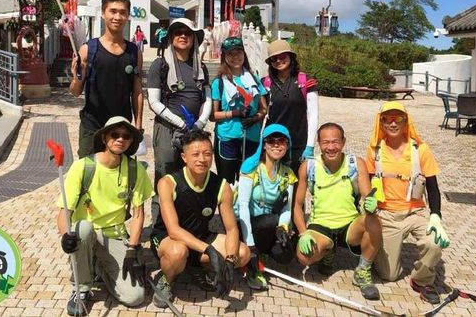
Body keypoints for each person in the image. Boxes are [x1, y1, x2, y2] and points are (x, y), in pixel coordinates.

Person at [56, 116, 154, 315]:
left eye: (126, 136)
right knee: (83, 228)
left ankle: (98, 266)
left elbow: (138, 215)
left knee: (135, 297)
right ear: (104, 138)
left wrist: (133, 249)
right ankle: (81, 288)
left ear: (131, 142)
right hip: (86, 234)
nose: (120, 139)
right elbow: (64, 212)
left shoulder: (135, 169)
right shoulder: (83, 166)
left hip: (115, 235)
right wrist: (66, 235)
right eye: (114, 135)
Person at [150, 130, 251, 308]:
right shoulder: (168, 183)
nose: (202, 159)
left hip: (199, 237)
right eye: (195, 154)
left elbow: (232, 229)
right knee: (177, 253)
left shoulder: (222, 186)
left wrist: (229, 261)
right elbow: (173, 230)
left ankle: (195, 267)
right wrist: (209, 250)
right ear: (184, 157)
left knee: (243, 253)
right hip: (168, 238)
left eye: (207, 154)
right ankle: (166, 279)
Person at [365, 102, 450, 305]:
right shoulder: (374, 150)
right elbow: (366, 182)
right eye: (387, 119)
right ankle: (380, 254)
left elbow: (432, 186)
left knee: (434, 243)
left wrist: (435, 215)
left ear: (406, 121)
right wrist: (366, 203)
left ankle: (422, 280)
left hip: (415, 213)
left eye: (398, 119)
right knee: (389, 275)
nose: (393, 124)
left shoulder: (420, 150)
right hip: (386, 214)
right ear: (381, 123)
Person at [293, 123, 382, 301]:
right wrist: (303, 233)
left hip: (350, 224)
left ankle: (363, 270)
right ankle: (328, 252)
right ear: (318, 143)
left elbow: (367, 194)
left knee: (374, 220)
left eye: (335, 142)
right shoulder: (308, 166)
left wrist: (372, 204)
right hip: (320, 225)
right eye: (325, 142)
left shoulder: (355, 163)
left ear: (343, 142)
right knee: (303, 257)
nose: (331, 147)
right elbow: (297, 205)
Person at [147, 17, 212, 223]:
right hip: (167, 129)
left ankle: (186, 221)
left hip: (194, 131)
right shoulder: (161, 65)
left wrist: (200, 123)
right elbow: (154, 101)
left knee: (191, 176)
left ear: (194, 38)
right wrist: (179, 122)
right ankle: (161, 226)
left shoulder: (201, 68)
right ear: (170, 38)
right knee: (165, 177)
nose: (183, 36)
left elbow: (207, 98)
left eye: (187, 33)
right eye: (178, 32)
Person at [69, 0, 143, 158]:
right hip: (92, 125)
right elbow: (75, 92)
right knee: (89, 173)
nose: (117, 16)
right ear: (103, 14)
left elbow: (137, 91)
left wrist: (137, 125)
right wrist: (76, 77)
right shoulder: (88, 50)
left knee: (118, 175)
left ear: (128, 16)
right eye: (113, 11)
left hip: (121, 128)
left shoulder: (134, 52)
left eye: (122, 12)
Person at [236, 124, 297, 290]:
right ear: (264, 144)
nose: (276, 145)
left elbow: (286, 208)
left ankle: (263, 255)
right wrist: (249, 244)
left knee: (286, 254)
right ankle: (251, 262)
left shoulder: (288, 174)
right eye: (271, 140)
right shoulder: (251, 167)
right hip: (246, 224)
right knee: (270, 221)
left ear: (287, 144)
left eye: (281, 141)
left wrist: (283, 227)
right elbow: (242, 206)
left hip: (270, 224)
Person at [211, 37, 267, 184]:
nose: (236, 57)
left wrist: (255, 118)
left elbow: (264, 108)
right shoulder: (219, 82)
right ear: (224, 57)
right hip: (227, 137)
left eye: (239, 53)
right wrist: (234, 113)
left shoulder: (254, 79)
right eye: (231, 54)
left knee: (249, 182)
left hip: (251, 136)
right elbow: (213, 115)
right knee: (226, 184)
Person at [263, 40, 319, 174]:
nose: (279, 61)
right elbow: (262, 113)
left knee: (297, 184)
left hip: (298, 142)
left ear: (291, 57)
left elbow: (313, 115)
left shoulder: (306, 81)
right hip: (274, 142)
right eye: (274, 58)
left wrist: (310, 145)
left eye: (283, 56)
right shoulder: (265, 83)